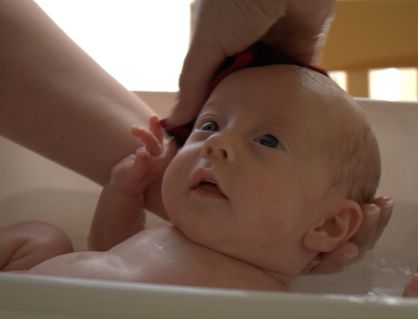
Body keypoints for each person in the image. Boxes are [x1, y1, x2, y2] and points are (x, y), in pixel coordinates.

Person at [0, 0, 392, 273]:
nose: (215, 143)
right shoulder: (167, 241)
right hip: (38, 289)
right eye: (209, 125)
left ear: (328, 226)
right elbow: (107, 250)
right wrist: (125, 188)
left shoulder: (262, 292)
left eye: (268, 141)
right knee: (41, 238)